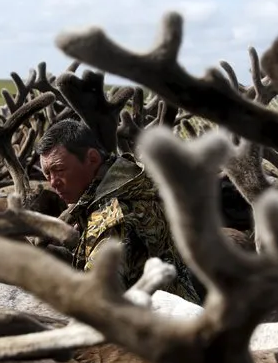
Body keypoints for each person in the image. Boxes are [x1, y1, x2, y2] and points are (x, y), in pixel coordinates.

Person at [36, 119, 201, 304]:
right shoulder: (130, 183)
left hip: (160, 325)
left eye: (59, 169)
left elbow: (98, 300)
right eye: (47, 174)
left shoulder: (114, 217)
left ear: (92, 159)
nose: (53, 182)